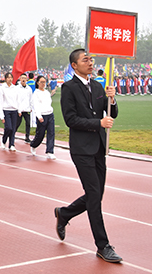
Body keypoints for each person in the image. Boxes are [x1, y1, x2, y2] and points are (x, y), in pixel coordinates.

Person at [56, 48, 121, 263]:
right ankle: (103, 245)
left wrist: (112, 100)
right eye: (85, 60)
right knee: (94, 195)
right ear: (74, 65)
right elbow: (70, 119)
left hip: (99, 147)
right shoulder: (68, 88)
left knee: (96, 194)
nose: (90, 63)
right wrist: (98, 123)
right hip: (82, 149)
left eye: (91, 59)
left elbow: (111, 113)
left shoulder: (98, 86)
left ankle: (65, 214)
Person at [30, 76, 56, 159]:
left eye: (44, 82)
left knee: (51, 133)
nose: (43, 84)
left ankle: (50, 151)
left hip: (50, 114)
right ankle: (34, 145)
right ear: (37, 83)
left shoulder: (47, 92)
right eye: (41, 82)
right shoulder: (36, 93)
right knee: (40, 134)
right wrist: (39, 116)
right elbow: (36, 106)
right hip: (42, 115)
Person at [0, 72, 19, 151]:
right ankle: (4, 140)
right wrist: (1, 113)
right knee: (8, 128)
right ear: (5, 79)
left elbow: (17, 99)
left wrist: (19, 109)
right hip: (6, 110)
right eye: (8, 77)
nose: (10, 79)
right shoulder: (2, 88)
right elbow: (0, 100)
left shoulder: (15, 88)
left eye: (11, 77)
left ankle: (11, 144)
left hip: (14, 110)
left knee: (13, 128)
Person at [16, 73, 33, 143]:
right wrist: (18, 109)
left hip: (26, 109)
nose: (23, 79)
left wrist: (31, 107)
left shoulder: (29, 89)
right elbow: (16, 99)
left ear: (27, 80)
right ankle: (12, 134)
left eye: (25, 78)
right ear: (20, 79)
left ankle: (27, 137)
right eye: (22, 78)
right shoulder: (17, 88)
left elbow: (31, 98)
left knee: (28, 123)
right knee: (17, 123)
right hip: (19, 109)